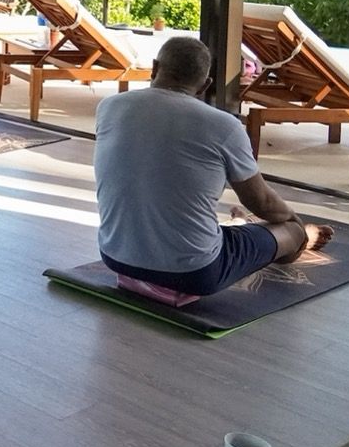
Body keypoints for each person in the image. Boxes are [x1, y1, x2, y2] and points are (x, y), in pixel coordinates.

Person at [94, 36, 333, 297]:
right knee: (290, 230)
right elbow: (262, 202)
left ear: (154, 67)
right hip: (195, 272)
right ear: (205, 85)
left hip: (115, 256)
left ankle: (241, 226)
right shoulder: (224, 126)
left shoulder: (109, 107)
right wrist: (293, 219)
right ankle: (302, 237)